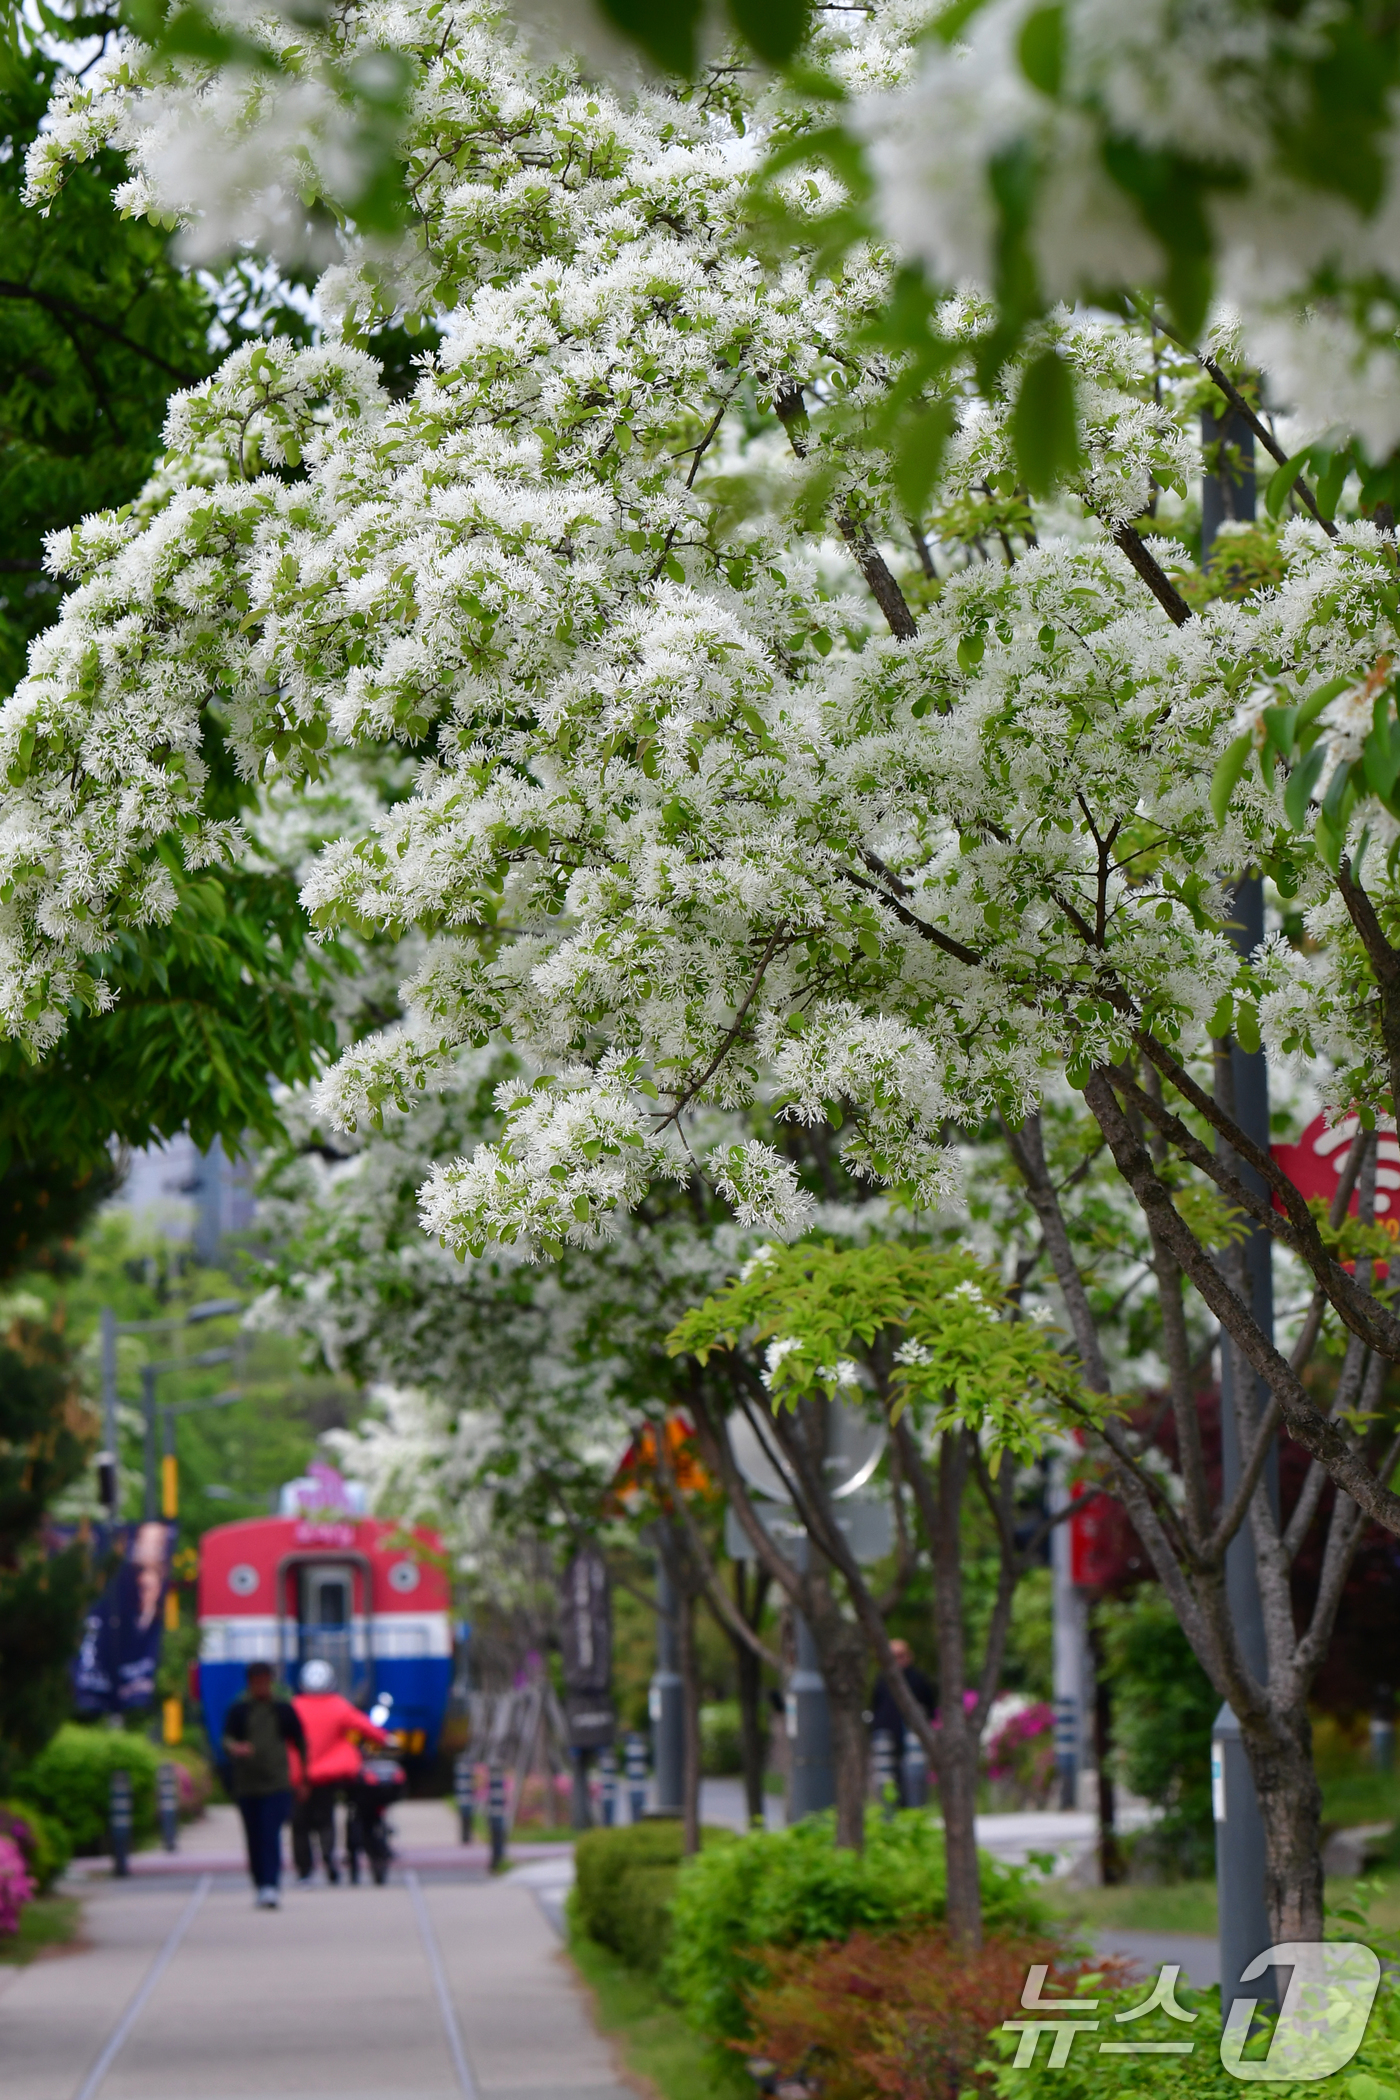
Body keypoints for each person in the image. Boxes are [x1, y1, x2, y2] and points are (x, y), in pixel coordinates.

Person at [290, 1659, 393, 1884]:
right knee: (325, 1819)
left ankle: (304, 1870)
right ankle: (329, 1861)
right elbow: (365, 1726)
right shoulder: (338, 1705)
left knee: (300, 1825)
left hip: (300, 1777)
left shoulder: (294, 1707)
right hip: (328, 1776)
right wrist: (386, 1738)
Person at [223, 1661, 308, 1908]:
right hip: (247, 1785)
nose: (261, 1686)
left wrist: (303, 1777)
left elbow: (300, 1742)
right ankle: (260, 1882)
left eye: (265, 1680)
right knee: (253, 1836)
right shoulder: (239, 1709)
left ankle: (271, 1884)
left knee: (270, 1834)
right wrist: (235, 1748)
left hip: (277, 1784)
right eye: (256, 1681)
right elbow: (227, 1738)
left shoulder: (282, 1708)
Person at [870, 1639, 936, 1801]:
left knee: (914, 1773)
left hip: (912, 1730)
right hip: (886, 1732)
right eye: (893, 1656)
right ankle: (889, 1813)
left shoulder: (917, 1678)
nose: (898, 1660)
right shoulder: (882, 1680)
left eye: (901, 1655)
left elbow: (930, 1704)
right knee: (886, 1777)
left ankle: (915, 1811)